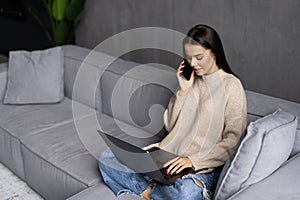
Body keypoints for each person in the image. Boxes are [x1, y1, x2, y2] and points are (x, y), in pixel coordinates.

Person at [99, 24, 247, 200]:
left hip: (202, 166)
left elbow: (233, 141)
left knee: (186, 193)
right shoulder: (190, 81)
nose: (193, 64)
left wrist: (192, 160)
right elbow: (170, 125)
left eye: (199, 57)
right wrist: (183, 91)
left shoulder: (232, 86)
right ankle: (148, 192)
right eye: (189, 58)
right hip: (167, 157)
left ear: (214, 52)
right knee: (106, 157)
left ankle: (148, 190)